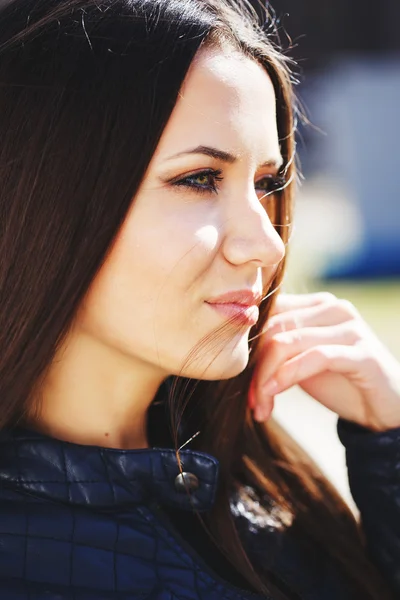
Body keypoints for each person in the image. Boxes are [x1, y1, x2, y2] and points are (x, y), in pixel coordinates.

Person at [0, 1, 398, 599]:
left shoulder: (260, 493)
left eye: (266, 184)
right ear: (42, 196)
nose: (264, 242)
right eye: (198, 179)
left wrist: (391, 448)